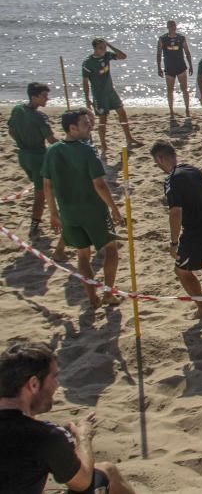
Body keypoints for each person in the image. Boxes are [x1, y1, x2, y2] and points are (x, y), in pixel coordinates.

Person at [0, 341, 135, 494]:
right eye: (54, 377)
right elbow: (82, 483)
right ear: (34, 384)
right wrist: (83, 437)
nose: (57, 385)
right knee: (107, 472)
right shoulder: (46, 436)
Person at [41, 109, 123, 309]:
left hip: (69, 213)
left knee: (83, 255)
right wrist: (114, 208)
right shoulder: (87, 150)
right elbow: (100, 184)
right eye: (86, 124)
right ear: (72, 128)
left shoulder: (52, 150)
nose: (90, 126)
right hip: (93, 210)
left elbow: (47, 186)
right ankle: (107, 293)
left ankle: (92, 298)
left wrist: (53, 213)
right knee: (111, 249)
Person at [151, 141, 202, 319]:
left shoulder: (172, 179)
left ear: (160, 158)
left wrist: (174, 242)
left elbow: (175, 213)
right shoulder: (194, 170)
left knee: (182, 271)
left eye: (156, 163)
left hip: (197, 230)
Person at [7, 83, 66, 259]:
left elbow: (11, 130)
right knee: (42, 192)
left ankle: (41, 221)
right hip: (38, 156)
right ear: (34, 97)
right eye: (43, 96)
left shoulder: (17, 109)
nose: (47, 99)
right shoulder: (39, 117)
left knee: (41, 188)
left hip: (23, 155)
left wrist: (22, 143)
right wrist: (67, 147)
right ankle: (35, 224)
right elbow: (50, 139)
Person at [82, 38, 142, 155]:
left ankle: (129, 138)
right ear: (95, 48)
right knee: (103, 119)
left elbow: (123, 56)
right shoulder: (88, 62)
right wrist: (87, 98)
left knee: (122, 113)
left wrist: (109, 45)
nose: (103, 50)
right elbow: (85, 81)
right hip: (99, 95)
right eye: (101, 48)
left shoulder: (107, 55)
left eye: (104, 47)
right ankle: (104, 145)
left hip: (110, 92)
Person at [156, 20, 194, 119]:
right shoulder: (162, 39)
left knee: (184, 89)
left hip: (181, 66)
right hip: (169, 68)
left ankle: (187, 109)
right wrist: (159, 67)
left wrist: (190, 65)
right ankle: (171, 111)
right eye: (170, 26)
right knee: (170, 90)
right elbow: (159, 54)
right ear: (167, 27)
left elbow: (187, 52)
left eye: (174, 25)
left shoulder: (181, 38)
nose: (173, 27)